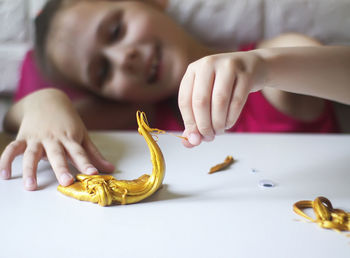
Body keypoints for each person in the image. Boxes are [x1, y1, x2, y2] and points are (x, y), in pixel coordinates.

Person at [1, 0, 350, 191]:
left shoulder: (268, 71)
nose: (124, 58)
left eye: (116, 30)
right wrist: (45, 102)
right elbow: (13, 124)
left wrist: (263, 66)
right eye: (103, 72)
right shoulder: (142, 121)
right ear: (109, 98)